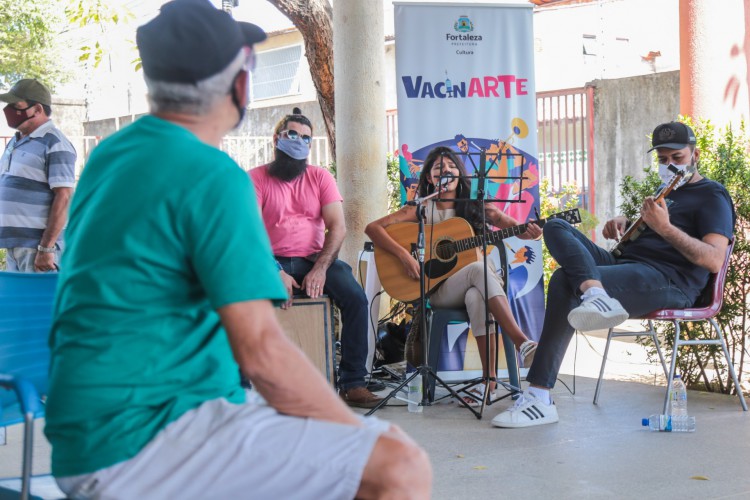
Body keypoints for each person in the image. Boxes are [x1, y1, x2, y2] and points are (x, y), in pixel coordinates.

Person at [44, 1, 431, 498]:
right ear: (241, 86)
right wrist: (359, 431)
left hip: (90, 428)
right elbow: (262, 352)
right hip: (147, 436)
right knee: (398, 464)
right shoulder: (212, 174)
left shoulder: (110, 155)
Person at [492, 121, 735, 428]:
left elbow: (713, 259)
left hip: (667, 280)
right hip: (625, 263)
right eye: (662, 160)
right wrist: (628, 223)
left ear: (695, 155)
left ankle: (539, 396)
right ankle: (596, 294)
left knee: (564, 280)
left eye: (677, 158)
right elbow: (647, 237)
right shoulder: (665, 191)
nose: (669, 165)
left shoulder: (712, 195)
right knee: (555, 225)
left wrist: (664, 227)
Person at [365, 146, 540, 406]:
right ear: (429, 178)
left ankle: (488, 384)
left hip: (479, 287)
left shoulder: (476, 206)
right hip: (439, 291)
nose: (446, 171)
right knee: (480, 270)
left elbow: (513, 227)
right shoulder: (421, 209)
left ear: (460, 174)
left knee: (477, 296)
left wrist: (531, 231)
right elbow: (373, 228)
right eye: (438, 168)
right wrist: (405, 256)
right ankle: (521, 341)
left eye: (451, 167)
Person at [250, 109, 384, 409]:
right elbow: (250, 233)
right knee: (234, 298)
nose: (299, 141)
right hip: (269, 260)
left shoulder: (320, 177)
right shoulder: (255, 178)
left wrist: (321, 269)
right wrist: (275, 272)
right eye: (293, 135)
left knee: (355, 298)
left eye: (306, 138)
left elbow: (337, 228)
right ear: (277, 139)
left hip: (314, 259)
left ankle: (353, 384)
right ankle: (243, 387)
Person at [0, 78, 76, 272]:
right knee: (18, 302)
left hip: (38, 249)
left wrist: (46, 247)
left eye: (16, 106)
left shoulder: (55, 143)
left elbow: (64, 197)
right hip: (16, 246)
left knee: (39, 302)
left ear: (38, 109)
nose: (9, 111)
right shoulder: (15, 142)